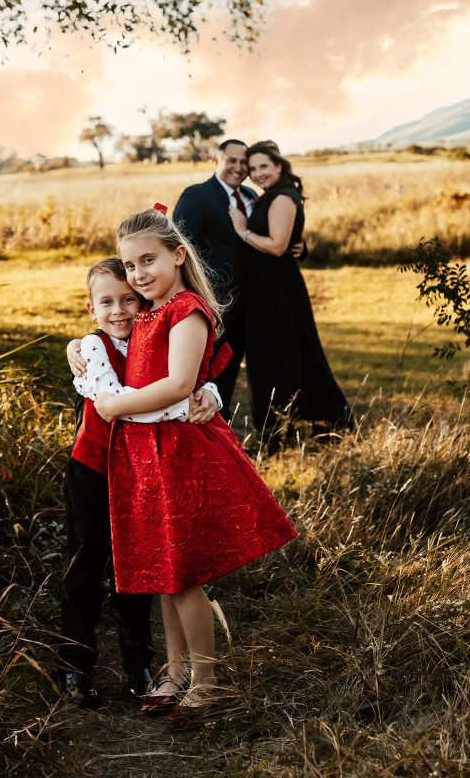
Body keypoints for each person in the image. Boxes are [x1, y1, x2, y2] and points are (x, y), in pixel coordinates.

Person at [93, 209, 297, 723]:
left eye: (148, 260)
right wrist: (80, 349)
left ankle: (206, 682)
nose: (138, 273)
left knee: (183, 573)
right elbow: (115, 348)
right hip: (148, 453)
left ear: (178, 255)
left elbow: (180, 382)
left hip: (179, 452)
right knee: (165, 570)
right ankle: (175, 669)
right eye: (129, 264)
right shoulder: (146, 312)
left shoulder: (185, 310)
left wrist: (116, 406)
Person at [58, 257, 221, 709]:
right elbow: (122, 403)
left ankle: (139, 663)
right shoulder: (91, 349)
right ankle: (75, 665)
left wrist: (210, 392)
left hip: (142, 473)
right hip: (93, 467)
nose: (119, 310)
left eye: (127, 299)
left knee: (137, 569)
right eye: (106, 302)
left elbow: (192, 373)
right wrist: (185, 402)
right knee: (86, 564)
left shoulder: (156, 336)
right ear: (91, 309)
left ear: (142, 298)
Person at [228, 141, 352, 447]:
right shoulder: (271, 196)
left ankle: (292, 431)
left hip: (276, 289)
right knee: (281, 354)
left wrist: (242, 230)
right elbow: (288, 240)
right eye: (252, 168)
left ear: (279, 167)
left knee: (280, 354)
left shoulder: (282, 197)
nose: (257, 174)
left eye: (263, 167)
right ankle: (283, 430)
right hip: (268, 284)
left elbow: (278, 246)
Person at [173, 138, 303, 421]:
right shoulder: (197, 196)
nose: (239, 167)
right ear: (217, 161)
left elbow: (271, 233)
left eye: (243, 162)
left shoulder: (251, 195)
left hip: (257, 303)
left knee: (258, 372)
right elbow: (180, 249)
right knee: (210, 377)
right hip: (218, 307)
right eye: (231, 160)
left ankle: (266, 428)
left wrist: (301, 245)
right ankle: (207, 433)